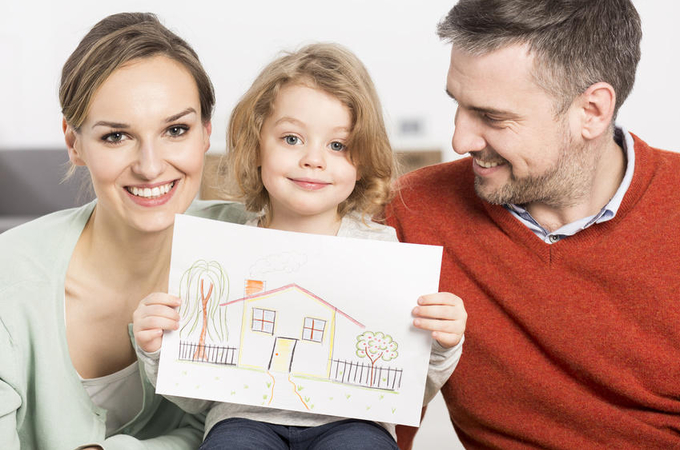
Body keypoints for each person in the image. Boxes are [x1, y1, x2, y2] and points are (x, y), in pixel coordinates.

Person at [132, 42, 467, 450]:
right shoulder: (226, 250)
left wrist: (441, 345)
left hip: (355, 422)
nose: (313, 159)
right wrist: (157, 349)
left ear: (362, 159)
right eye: (292, 138)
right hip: (243, 420)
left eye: (338, 145)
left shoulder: (381, 251)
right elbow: (195, 396)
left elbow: (409, 389)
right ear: (256, 145)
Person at [386, 0, 680, 449]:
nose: (460, 140)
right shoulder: (411, 212)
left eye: (492, 117)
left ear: (592, 111)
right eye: (458, 105)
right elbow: (370, 424)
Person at [0, 12, 253, 450]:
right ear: (74, 143)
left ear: (205, 133)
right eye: (116, 136)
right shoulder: (11, 281)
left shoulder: (250, 243)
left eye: (176, 130)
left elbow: (254, 419)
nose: (150, 167)